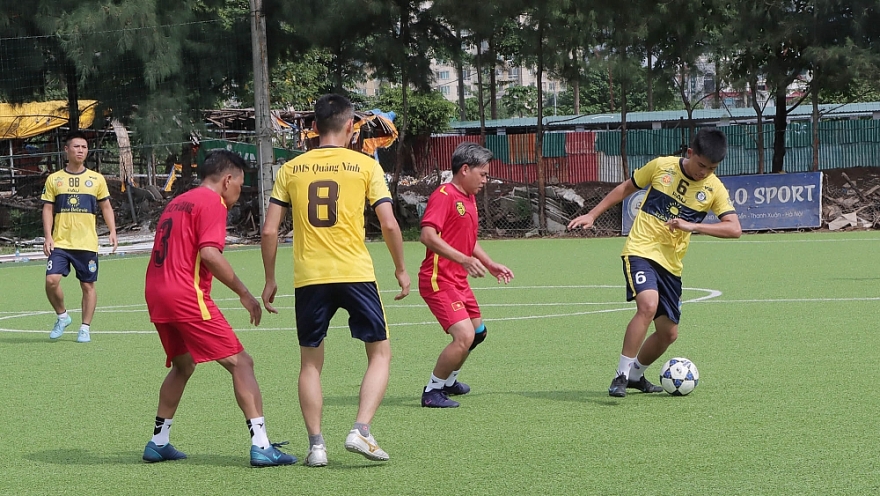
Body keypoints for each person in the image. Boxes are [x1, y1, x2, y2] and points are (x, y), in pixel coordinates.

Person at [260, 93, 410, 467]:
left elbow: (268, 232)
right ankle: (360, 429)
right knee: (380, 353)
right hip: (355, 272)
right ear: (350, 127)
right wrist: (401, 269)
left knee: (310, 363)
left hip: (309, 277)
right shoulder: (364, 166)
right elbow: (389, 223)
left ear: (313, 128)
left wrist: (269, 279)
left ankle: (316, 447)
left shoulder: (290, 169)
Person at [142, 150, 296, 467]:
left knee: (183, 366)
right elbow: (209, 254)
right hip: (186, 294)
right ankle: (262, 445)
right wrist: (245, 293)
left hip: (156, 292)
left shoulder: (177, 201)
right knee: (242, 363)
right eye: (239, 184)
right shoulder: (213, 202)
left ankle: (158, 442)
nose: (239, 193)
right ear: (227, 180)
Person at [567, 128, 742, 397]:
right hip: (641, 249)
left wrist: (692, 226)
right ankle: (621, 375)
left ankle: (636, 375)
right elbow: (626, 187)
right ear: (690, 153)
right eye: (701, 165)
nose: (704, 172)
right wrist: (592, 214)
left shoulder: (714, 188)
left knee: (668, 334)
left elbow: (734, 229)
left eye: (711, 168)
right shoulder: (662, 166)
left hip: (671, 265)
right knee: (647, 306)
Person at [419, 142, 514, 409]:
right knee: (464, 337)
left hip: (458, 280)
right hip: (438, 280)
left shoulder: (468, 198)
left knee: (478, 333)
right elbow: (427, 236)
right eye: (483, 174)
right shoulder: (444, 195)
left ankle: (449, 380)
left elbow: (467, 240)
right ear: (464, 170)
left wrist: (490, 263)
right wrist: (464, 260)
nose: (486, 180)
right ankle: (432, 391)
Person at [41, 131, 118, 343]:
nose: (80, 150)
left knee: (88, 286)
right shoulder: (54, 179)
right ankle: (62, 316)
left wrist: (112, 231)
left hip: (86, 243)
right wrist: (47, 236)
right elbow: (48, 209)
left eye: (83, 147)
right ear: (67, 150)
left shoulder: (96, 179)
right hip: (61, 243)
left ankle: (85, 328)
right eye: (76, 147)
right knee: (51, 281)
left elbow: (106, 206)